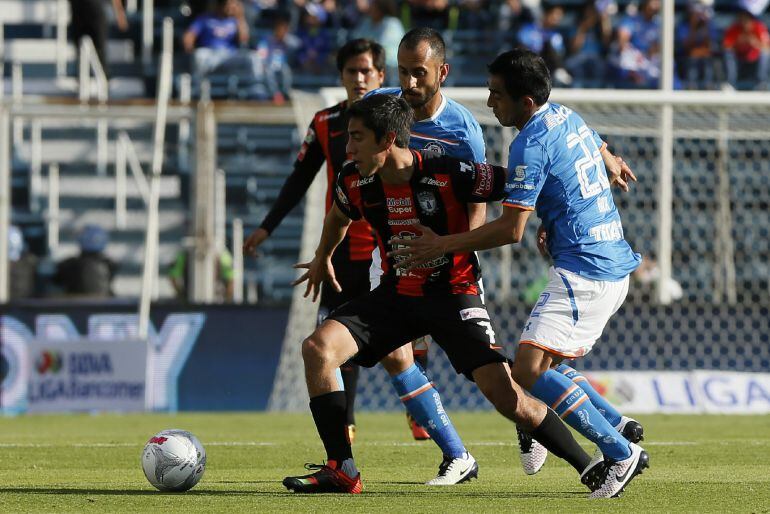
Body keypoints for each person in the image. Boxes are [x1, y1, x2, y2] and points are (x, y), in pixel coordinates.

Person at [282, 94, 602, 495]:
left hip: (454, 296)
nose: (348, 149)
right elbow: (338, 215)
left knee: (506, 396)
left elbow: (525, 183)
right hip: (396, 296)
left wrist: (593, 165)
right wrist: (322, 256)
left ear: (387, 140)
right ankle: (342, 469)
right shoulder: (354, 179)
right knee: (318, 349)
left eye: (357, 138)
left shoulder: (452, 173)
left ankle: (590, 467)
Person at [389, 49, 649, 499]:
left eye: (497, 94)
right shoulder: (565, 115)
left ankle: (617, 449)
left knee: (527, 368)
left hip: (587, 269)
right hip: (604, 259)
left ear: (525, 102)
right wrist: (608, 157)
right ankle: (616, 424)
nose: (490, 103)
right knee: (547, 363)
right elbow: (594, 142)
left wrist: (441, 244)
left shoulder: (530, 143)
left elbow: (511, 230)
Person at [243, 39, 386, 447]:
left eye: (366, 71)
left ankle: (419, 405)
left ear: (380, 75)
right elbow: (300, 177)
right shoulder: (325, 122)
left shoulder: (397, 120)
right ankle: (347, 420)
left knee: (403, 335)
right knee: (335, 336)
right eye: (351, 72)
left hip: (387, 245)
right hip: (338, 250)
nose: (359, 79)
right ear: (340, 77)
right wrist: (267, 227)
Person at [182, 0, 265, 89]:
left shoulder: (235, 21)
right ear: (220, 5)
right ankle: (197, 87)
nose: (231, 7)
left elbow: (244, 39)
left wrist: (240, 17)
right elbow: (189, 35)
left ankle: (256, 88)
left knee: (253, 57)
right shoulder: (205, 18)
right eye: (228, 4)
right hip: (210, 56)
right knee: (199, 54)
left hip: (229, 56)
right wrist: (189, 46)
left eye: (233, 4)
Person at [52, 224, 117, 298]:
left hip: (76, 307)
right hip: (103, 307)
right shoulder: (110, 264)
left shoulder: (69, 265)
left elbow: (56, 280)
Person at [68, 0, 129, 77]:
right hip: (78, 14)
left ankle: (104, 80)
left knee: (100, 54)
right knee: (80, 52)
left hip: (95, 15)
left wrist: (120, 15)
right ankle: (81, 79)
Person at [723, 7, 770, 90]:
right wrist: (738, 43)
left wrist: (754, 43)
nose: (744, 22)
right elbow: (726, 47)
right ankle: (730, 83)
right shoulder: (735, 28)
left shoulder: (759, 27)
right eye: (742, 18)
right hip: (739, 57)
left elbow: (767, 47)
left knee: (765, 54)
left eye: (746, 19)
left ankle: (761, 83)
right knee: (728, 54)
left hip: (755, 58)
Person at [168, 247, 234, 302]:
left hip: (216, 299)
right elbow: (172, 276)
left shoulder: (222, 255)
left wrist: (226, 300)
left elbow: (231, 279)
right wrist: (182, 295)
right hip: (190, 298)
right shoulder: (183, 254)